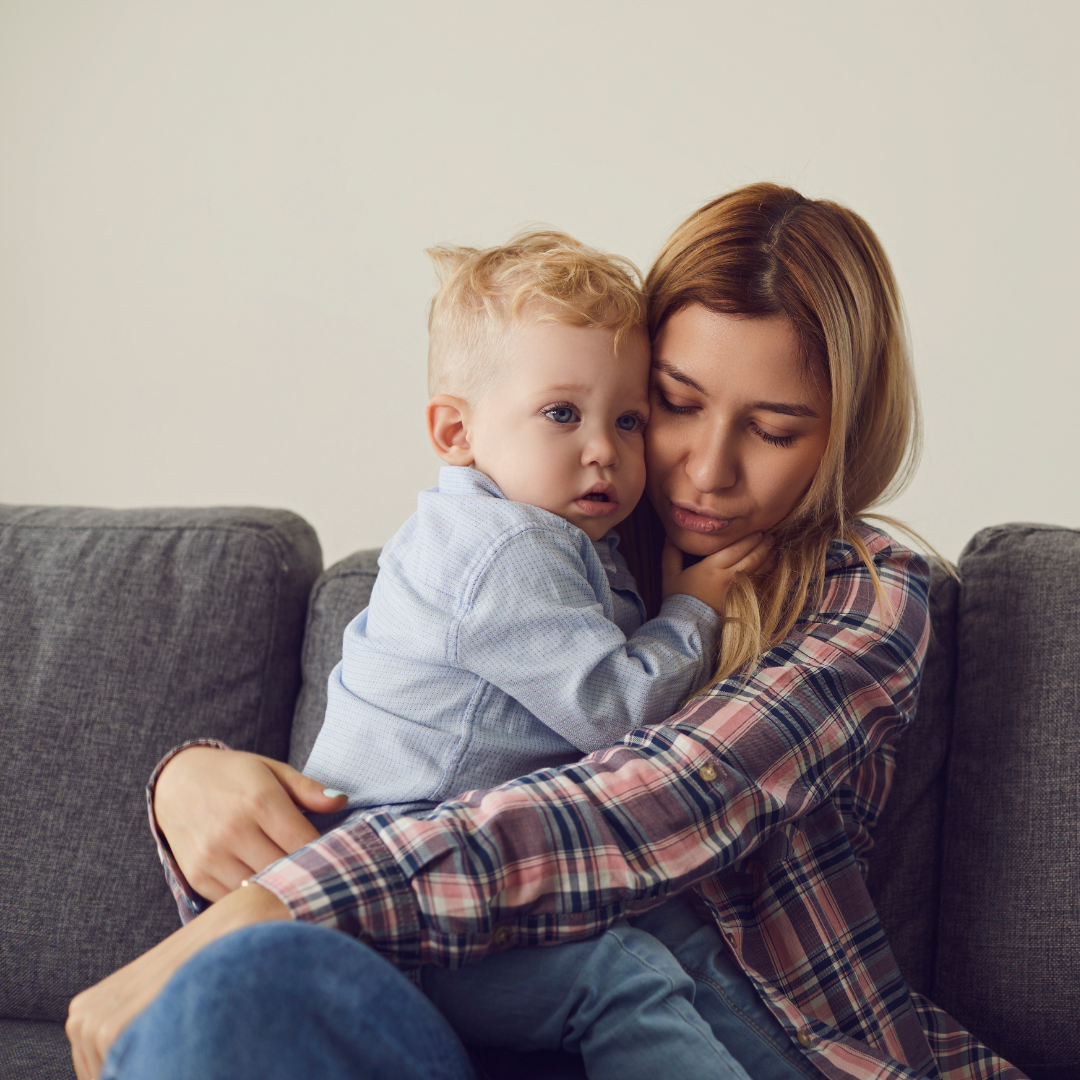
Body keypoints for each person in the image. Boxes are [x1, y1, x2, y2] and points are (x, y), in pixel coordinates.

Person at [67, 183, 1026, 1080]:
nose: (706, 470)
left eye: (773, 431)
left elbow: (657, 800)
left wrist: (281, 897)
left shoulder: (864, 593)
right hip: (466, 1000)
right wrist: (186, 782)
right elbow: (387, 720)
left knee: (256, 961)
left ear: (847, 434)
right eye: (677, 407)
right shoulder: (550, 536)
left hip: (745, 1029)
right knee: (242, 991)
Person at [298, 228, 775, 1079]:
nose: (605, 448)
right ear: (455, 431)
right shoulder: (502, 545)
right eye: (563, 413)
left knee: (680, 936)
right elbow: (614, 710)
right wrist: (693, 611)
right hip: (400, 900)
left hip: (471, 880)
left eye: (628, 419)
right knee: (621, 974)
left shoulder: (553, 533)